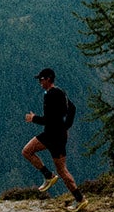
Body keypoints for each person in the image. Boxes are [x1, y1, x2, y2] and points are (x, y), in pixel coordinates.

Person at [22, 66, 83, 201]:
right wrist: (66, 127)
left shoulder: (50, 95)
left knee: (27, 151)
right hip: (59, 135)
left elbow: (48, 120)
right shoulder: (60, 92)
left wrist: (33, 119)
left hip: (51, 135)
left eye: (42, 79)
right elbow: (72, 108)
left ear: (49, 79)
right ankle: (80, 199)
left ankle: (48, 176)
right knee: (62, 171)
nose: (40, 82)